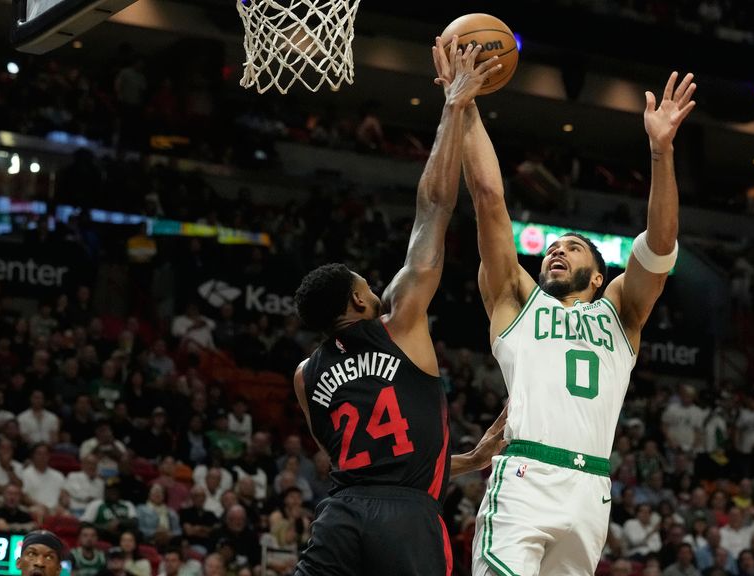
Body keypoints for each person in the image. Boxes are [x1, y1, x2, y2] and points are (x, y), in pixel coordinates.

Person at [450, 36, 697, 572]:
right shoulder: (515, 300)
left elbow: (660, 245)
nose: (557, 251)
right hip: (525, 478)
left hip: (590, 490)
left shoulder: (621, 313)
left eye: (573, 247)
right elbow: (489, 201)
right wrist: (464, 103)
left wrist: (661, 151)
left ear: (599, 273)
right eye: (552, 249)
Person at [290, 39, 506, 576]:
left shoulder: (303, 375)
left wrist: (471, 461)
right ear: (362, 299)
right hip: (406, 519)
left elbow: (364, 464)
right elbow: (433, 206)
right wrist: (454, 105)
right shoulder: (401, 321)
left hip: (339, 516)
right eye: (369, 284)